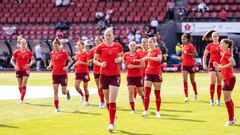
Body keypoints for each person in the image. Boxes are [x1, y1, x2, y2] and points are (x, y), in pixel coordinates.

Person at [93, 28, 123, 132]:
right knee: (107, 101)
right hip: (104, 75)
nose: (108, 37)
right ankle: (113, 116)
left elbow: (121, 56)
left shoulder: (117, 46)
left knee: (112, 100)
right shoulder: (100, 47)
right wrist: (101, 64)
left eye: (109, 35)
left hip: (115, 75)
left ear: (113, 36)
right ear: (104, 36)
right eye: (106, 35)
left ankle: (111, 123)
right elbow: (94, 60)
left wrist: (119, 60)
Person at [214, 39, 236, 126]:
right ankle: (232, 117)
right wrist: (218, 66)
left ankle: (231, 120)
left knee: (227, 99)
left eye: (221, 43)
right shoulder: (225, 53)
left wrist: (221, 67)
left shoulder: (227, 53)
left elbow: (233, 63)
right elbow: (226, 66)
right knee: (229, 99)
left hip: (228, 79)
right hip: (227, 78)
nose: (220, 44)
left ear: (227, 45)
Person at [47, 38, 72, 112]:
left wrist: (67, 67)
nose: (55, 47)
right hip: (55, 74)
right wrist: (49, 65)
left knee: (63, 92)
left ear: (59, 45)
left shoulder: (64, 52)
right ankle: (56, 108)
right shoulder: (52, 53)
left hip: (63, 75)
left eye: (56, 46)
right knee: (55, 91)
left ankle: (67, 92)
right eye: (54, 46)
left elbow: (70, 61)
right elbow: (52, 60)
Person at [141, 37, 162, 118]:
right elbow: (145, 58)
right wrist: (140, 60)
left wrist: (149, 58)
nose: (149, 44)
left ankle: (158, 111)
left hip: (157, 73)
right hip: (148, 72)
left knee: (157, 93)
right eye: (148, 42)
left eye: (150, 42)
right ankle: (145, 111)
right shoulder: (148, 51)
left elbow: (159, 59)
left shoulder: (158, 50)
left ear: (155, 42)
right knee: (147, 93)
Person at [10, 37, 35, 103]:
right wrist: (15, 66)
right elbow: (11, 60)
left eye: (25, 43)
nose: (24, 45)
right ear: (20, 44)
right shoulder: (16, 52)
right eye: (22, 43)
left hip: (26, 70)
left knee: (24, 83)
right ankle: (22, 95)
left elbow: (33, 60)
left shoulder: (28, 52)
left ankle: (21, 99)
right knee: (20, 86)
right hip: (18, 70)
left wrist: (29, 64)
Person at [123, 41, 145, 113]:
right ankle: (133, 109)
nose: (132, 47)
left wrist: (134, 66)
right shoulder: (126, 55)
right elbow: (124, 64)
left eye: (133, 45)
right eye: (131, 45)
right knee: (130, 91)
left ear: (135, 46)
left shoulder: (139, 54)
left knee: (140, 92)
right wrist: (125, 66)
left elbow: (143, 65)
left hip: (138, 76)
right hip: (130, 76)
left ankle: (144, 99)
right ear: (129, 47)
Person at [202, 32, 222, 106]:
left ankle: (218, 100)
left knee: (219, 82)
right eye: (213, 36)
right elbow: (205, 55)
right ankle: (211, 99)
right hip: (212, 64)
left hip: (220, 65)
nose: (215, 37)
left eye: (216, 36)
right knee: (213, 81)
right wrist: (204, 63)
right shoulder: (209, 45)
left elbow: (226, 55)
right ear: (211, 38)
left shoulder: (222, 45)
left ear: (218, 37)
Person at [88, 36, 105, 109]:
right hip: (96, 70)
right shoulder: (92, 50)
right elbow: (89, 62)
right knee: (99, 87)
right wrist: (93, 59)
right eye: (95, 40)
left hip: (104, 70)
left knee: (102, 87)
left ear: (101, 41)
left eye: (98, 40)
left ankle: (103, 101)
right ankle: (102, 101)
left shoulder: (105, 49)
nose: (96, 42)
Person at [180, 33, 198, 102]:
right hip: (184, 65)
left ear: (187, 39)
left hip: (191, 65)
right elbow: (183, 55)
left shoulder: (191, 46)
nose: (182, 40)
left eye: (184, 39)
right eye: (182, 39)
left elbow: (196, 54)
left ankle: (196, 93)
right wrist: (181, 57)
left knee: (192, 81)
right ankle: (186, 97)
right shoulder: (182, 46)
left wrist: (188, 54)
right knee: (184, 80)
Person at [74, 41, 90, 105]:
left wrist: (82, 63)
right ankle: (81, 95)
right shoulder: (77, 54)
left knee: (85, 87)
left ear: (83, 46)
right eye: (77, 45)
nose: (78, 46)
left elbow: (89, 64)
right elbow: (77, 62)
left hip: (85, 72)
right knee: (76, 86)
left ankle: (86, 101)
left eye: (79, 45)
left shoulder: (86, 54)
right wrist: (75, 64)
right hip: (78, 72)